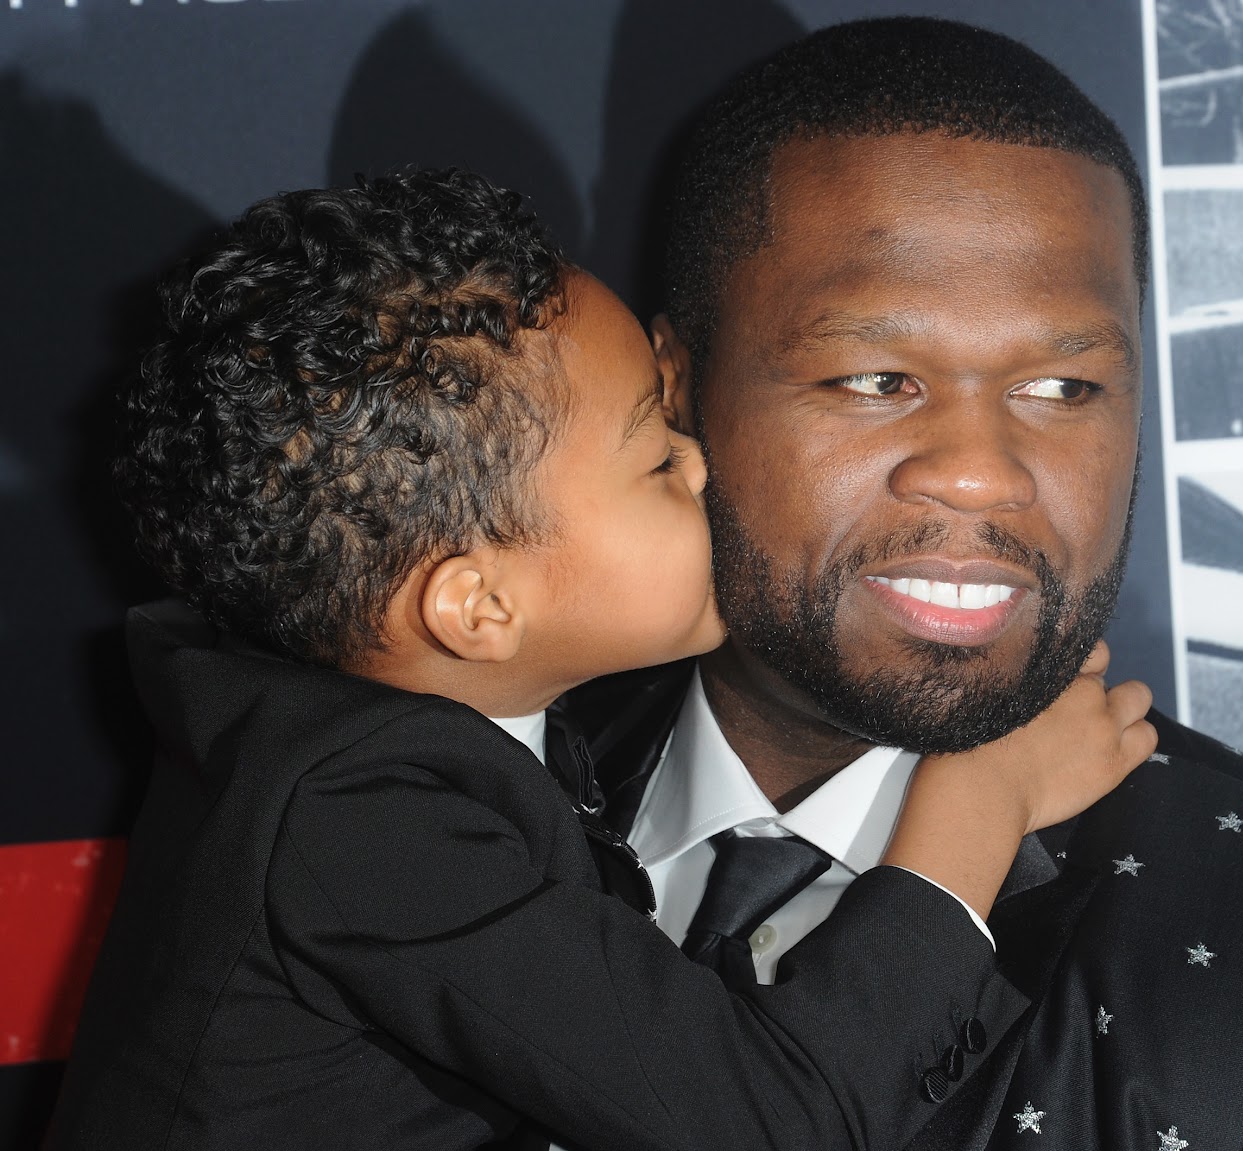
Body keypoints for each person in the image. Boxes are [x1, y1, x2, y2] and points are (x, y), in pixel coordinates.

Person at [554, 17, 1243, 1150]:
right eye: (876, 377)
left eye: (1060, 387)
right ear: (676, 388)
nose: (982, 474)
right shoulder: (424, 792)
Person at [45, 169, 1158, 1151]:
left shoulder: (352, 739)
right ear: (478, 605)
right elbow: (772, 1121)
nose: (709, 468)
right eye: (658, 460)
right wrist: (977, 797)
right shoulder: (362, 817)